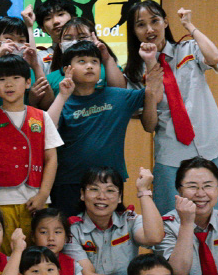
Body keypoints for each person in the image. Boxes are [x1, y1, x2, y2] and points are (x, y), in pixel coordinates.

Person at [124, 1, 218, 212]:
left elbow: (214, 57)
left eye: (155, 21)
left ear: (165, 22)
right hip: (172, 154)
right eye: (141, 25)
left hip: (213, 145)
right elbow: (149, 125)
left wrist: (189, 26)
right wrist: (150, 87)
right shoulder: (133, 72)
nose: (149, 29)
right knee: (169, 219)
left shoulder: (188, 49)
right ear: (134, 31)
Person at [47, 40, 159, 217]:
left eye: (94, 61)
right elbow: (48, 131)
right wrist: (62, 95)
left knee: (109, 229)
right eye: (82, 61)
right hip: (69, 181)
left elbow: (153, 94)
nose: (89, 66)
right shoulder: (63, 101)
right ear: (67, 69)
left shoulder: (118, 96)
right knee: (69, 230)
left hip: (109, 183)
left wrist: (150, 62)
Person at [0, 52, 61, 249]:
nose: (9, 84)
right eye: (2, 80)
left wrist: (43, 194)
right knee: (4, 255)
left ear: (28, 82)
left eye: (15, 78)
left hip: (36, 199)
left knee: (37, 254)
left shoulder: (42, 117)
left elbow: (51, 159)